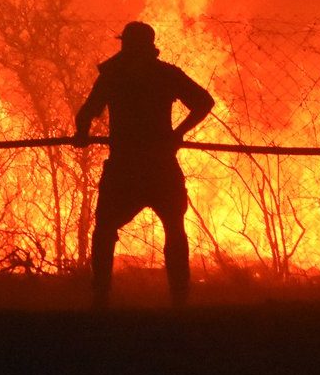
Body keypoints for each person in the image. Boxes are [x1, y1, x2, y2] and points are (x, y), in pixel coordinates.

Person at [73, 21, 214, 308]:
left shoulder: (113, 76)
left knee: (104, 230)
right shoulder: (165, 74)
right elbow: (203, 102)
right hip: (160, 165)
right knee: (174, 229)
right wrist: (177, 134)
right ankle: (179, 300)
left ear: (126, 44)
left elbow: (87, 112)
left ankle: (100, 298)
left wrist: (82, 135)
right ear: (150, 47)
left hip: (125, 167)